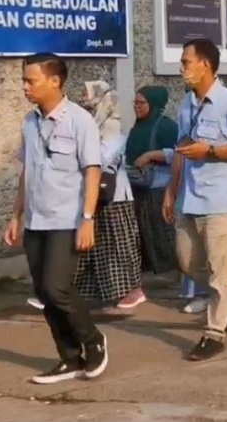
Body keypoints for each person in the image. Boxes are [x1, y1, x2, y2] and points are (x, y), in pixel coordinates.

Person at [5, 53, 108, 384]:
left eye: (30, 80)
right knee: (44, 293)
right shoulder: (30, 122)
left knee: (57, 287)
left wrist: (88, 219)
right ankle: (68, 358)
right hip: (36, 220)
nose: (25, 86)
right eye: (23, 80)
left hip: (67, 220)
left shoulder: (80, 121)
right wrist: (16, 214)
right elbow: (27, 172)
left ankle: (93, 341)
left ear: (55, 81)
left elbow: (92, 170)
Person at [163, 38, 227, 361]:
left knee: (219, 272)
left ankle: (214, 333)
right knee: (187, 261)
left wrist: (212, 151)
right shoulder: (186, 104)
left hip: (220, 201)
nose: (181, 67)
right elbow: (181, 149)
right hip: (189, 199)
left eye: (186, 61)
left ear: (205, 64)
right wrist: (171, 190)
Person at [74, 81, 145, 310]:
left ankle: (134, 290)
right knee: (95, 248)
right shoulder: (90, 124)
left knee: (120, 246)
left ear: (100, 98)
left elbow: (101, 158)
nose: (83, 98)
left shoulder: (112, 126)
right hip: (94, 194)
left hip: (114, 197)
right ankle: (82, 292)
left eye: (87, 93)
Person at [126, 86, 179, 276]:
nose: (137, 107)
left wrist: (151, 155)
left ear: (154, 104)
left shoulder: (166, 126)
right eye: (135, 103)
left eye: (142, 103)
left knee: (161, 233)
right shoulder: (138, 127)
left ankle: (170, 274)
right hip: (138, 187)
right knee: (143, 232)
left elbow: (180, 154)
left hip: (159, 188)